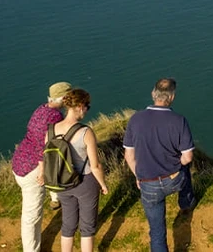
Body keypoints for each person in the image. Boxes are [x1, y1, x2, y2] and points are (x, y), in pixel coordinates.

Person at [123, 78, 195, 252]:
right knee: (184, 167)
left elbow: (129, 156)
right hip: (173, 180)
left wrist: (138, 176)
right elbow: (188, 157)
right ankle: (186, 202)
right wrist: (177, 162)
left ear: (153, 94)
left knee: (157, 232)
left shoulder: (135, 119)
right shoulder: (179, 120)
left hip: (148, 183)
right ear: (172, 97)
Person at [42, 88, 108, 252]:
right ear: (79, 106)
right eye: (87, 106)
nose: (87, 109)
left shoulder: (50, 131)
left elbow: (47, 159)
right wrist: (103, 184)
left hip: (62, 183)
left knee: (68, 225)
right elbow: (95, 165)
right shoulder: (85, 132)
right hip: (84, 182)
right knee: (87, 228)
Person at [12, 81, 72, 252]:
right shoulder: (55, 117)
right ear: (64, 98)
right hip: (32, 170)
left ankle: (55, 198)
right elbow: (43, 146)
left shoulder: (41, 109)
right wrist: (41, 172)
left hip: (20, 162)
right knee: (31, 217)